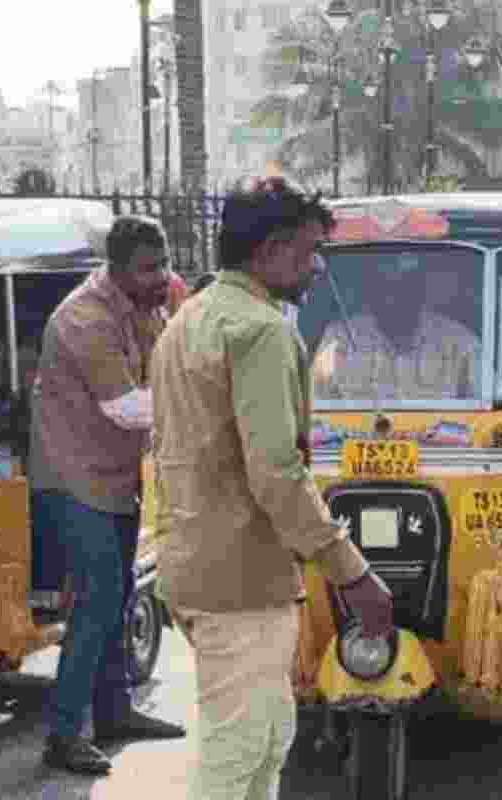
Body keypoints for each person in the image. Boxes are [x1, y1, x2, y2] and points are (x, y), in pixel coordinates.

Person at [150, 176, 394, 800]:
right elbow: (277, 473)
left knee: (266, 741)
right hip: (241, 579)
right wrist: (353, 573)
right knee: (238, 758)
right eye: (310, 251)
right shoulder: (261, 329)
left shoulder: (190, 317)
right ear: (272, 249)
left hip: (196, 565)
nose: (317, 267)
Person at [28, 214, 186, 775]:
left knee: (117, 598)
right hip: (74, 480)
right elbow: (128, 407)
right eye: (148, 268)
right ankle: (63, 734)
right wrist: (204, 401)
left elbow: (167, 365)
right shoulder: (84, 319)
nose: (161, 276)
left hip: (114, 476)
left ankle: (114, 713)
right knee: (96, 603)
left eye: (164, 264)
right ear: (116, 269)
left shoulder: (144, 304)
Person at [311, 254, 481, 401]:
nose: (394, 297)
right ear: (371, 292)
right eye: (386, 285)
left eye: (405, 285)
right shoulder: (339, 338)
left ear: (422, 291)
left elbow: (490, 402)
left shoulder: (459, 342)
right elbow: (313, 400)